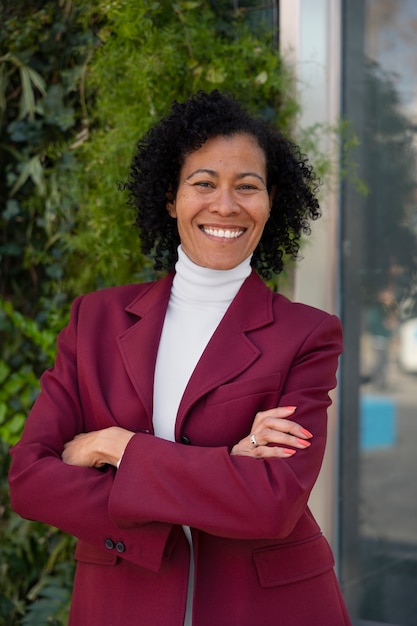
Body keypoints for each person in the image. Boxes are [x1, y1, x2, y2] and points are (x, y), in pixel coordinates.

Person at [9, 90, 350, 625]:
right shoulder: (95, 320)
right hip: (122, 602)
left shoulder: (307, 334)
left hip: (266, 607)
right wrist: (224, 473)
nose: (226, 205)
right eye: (203, 183)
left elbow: (272, 503)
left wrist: (116, 447)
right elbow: (31, 480)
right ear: (171, 198)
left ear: (270, 200)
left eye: (248, 187)